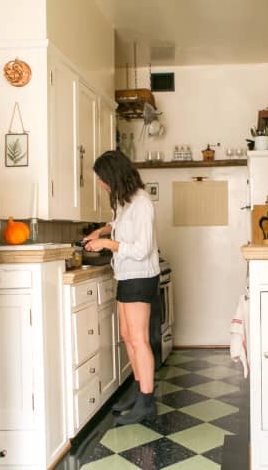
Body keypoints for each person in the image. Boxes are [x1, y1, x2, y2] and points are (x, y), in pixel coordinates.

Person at [83, 150, 159, 425]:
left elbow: (141, 249)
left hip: (140, 275)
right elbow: (119, 224)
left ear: (114, 175)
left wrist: (107, 244)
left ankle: (147, 402)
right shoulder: (125, 203)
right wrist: (102, 231)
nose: (102, 185)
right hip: (125, 275)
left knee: (138, 339)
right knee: (127, 335)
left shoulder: (142, 203)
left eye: (103, 179)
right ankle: (139, 392)